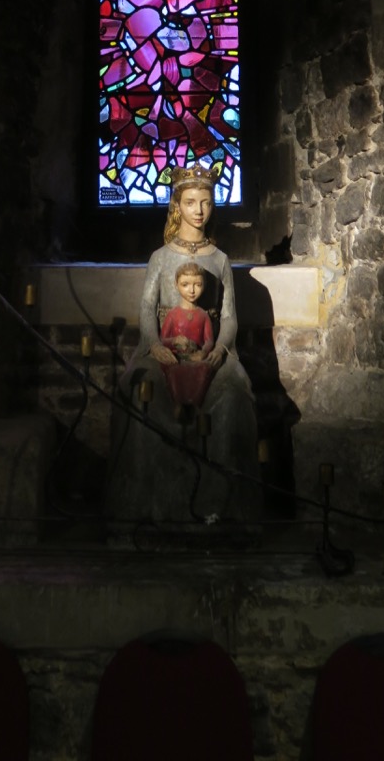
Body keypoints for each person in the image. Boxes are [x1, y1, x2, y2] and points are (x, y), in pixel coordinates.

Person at [105, 164, 261, 530]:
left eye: (206, 202)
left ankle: (223, 508)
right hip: (165, 350)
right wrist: (153, 344)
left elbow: (230, 317)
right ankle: (146, 508)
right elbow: (146, 307)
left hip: (209, 350)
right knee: (135, 390)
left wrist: (221, 350)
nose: (199, 210)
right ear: (177, 205)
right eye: (190, 202)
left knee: (235, 392)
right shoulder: (160, 258)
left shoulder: (220, 261)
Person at [159, 262, 214, 361]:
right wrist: (174, 341)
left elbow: (209, 341)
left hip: (197, 357)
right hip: (176, 357)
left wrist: (203, 352)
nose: (192, 290)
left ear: (204, 285)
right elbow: (163, 340)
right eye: (185, 285)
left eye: (198, 285)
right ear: (176, 285)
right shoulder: (173, 314)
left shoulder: (203, 315)